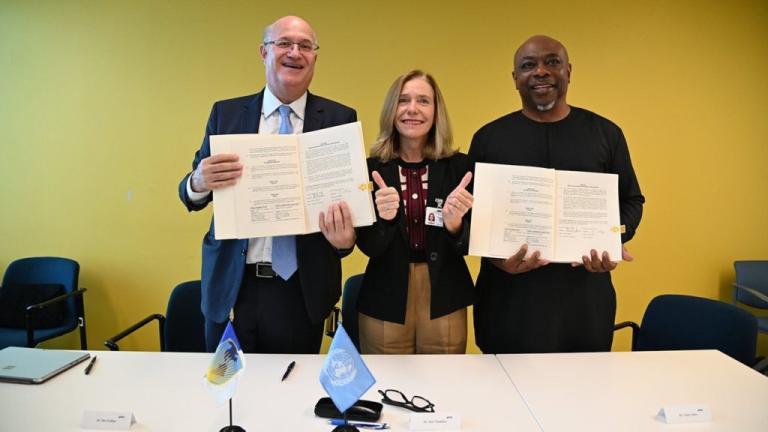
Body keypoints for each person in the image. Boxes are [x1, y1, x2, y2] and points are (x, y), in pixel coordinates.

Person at [178, 16, 357, 353]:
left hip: (300, 291)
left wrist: (345, 242)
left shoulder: (339, 120)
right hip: (233, 285)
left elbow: (344, 211)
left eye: (305, 46)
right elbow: (192, 194)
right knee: (228, 393)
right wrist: (197, 182)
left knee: (289, 393)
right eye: (284, 43)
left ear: (315, 58)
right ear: (263, 52)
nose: (295, 52)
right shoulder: (226, 114)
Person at [469, 35, 645, 354]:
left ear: (568, 71)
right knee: (503, 395)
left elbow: (632, 201)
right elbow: (469, 213)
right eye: (528, 65)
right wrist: (495, 259)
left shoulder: (605, 134)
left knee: (582, 394)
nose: (541, 71)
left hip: (583, 302)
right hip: (508, 303)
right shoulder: (488, 138)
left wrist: (613, 239)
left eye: (552, 62)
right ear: (515, 79)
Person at [355, 70, 475, 354]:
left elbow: (471, 243)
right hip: (385, 297)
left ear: (436, 111)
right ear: (391, 110)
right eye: (403, 100)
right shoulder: (369, 169)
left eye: (423, 101)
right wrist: (383, 220)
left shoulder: (460, 168)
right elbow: (367, 245)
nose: (412, 109)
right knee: (386, 386)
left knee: (443, 384)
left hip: (444, 295)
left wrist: (455, 226)